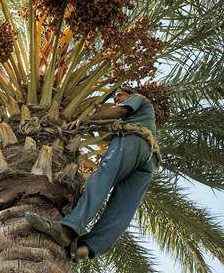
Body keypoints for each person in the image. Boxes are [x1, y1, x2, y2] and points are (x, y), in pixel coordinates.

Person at [26, 87, 158, 261]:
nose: (117, 99)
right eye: (116, 97)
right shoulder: (135, 119)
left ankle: (68, 229)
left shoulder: (139, 98)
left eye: (120, 95)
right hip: (150, 160)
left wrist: (84, 118)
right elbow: (104, 137)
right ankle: (86, 248)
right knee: (123, 208)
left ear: (129, 94)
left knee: (101, 180)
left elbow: (120, 110)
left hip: (134, 140)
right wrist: (95, 121)